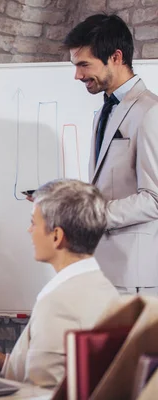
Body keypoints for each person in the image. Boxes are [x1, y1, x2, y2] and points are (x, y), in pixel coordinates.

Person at [0, 179, 119, 387]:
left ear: (56, 236)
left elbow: (42, 391)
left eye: (34, 223)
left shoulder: (59, 304)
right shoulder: (104, 289)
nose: (29, 230)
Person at [63, 14, 158, 295]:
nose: (77, 75)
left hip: (134, 276)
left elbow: (154, 199)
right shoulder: (104, 111)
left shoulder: (150, 112)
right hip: (104, 271)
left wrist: (90, 214)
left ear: (115, 57)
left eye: (84, 65)